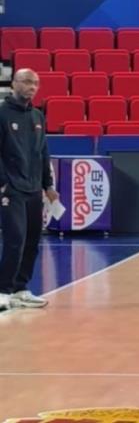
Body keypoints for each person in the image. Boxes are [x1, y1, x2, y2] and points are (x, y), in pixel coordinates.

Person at [0, 69, 59, 311]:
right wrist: (3, 182)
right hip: (10, 188)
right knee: (15, 238)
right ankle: (3, 291)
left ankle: (20, 289)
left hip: (34, 188)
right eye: (26, 82)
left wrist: (48, 185)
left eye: (35, 83)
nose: (31, 87)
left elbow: (42, 152)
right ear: (13, 84)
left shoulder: (37, 116)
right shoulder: (2, 113)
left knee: (33, 240)